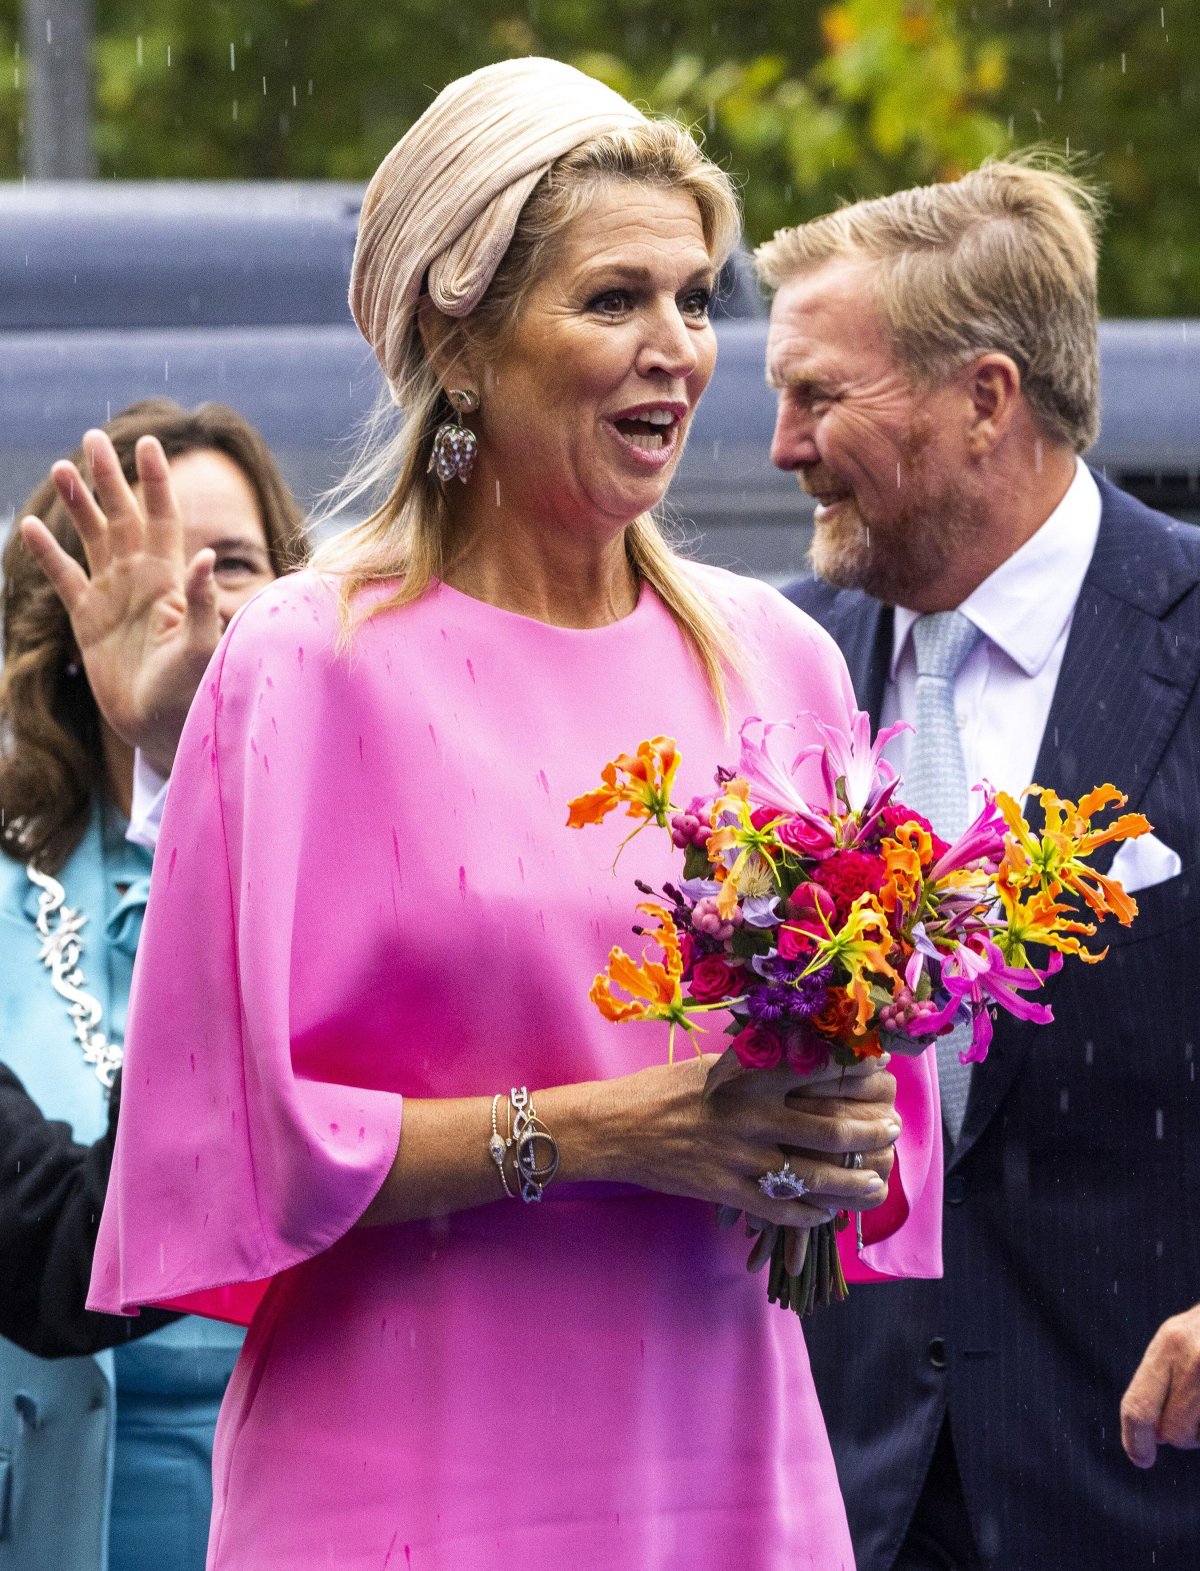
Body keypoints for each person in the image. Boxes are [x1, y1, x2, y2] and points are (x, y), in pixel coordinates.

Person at [87, 59, 943, 1570]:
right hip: (404, 1469)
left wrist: (841, 1126)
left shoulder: (780, 659)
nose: (677, 348)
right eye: (614, 297)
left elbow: (878, 1128)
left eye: (694, 297)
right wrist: (621, 1128)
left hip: (726, 1456)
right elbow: (244, 1148)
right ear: (457, 340)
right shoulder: (303, 664)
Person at [763, 159, 1200, 1569]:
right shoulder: (772, 668)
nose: (782, 444)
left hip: (1142, 1485)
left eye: (820, 396)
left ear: (985, 399)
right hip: (842, 1493)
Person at [1, 396, 307, 1571]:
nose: (196, 600)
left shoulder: (368, 860)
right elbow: (70, 1248)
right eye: (148, 561)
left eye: (232, 561)